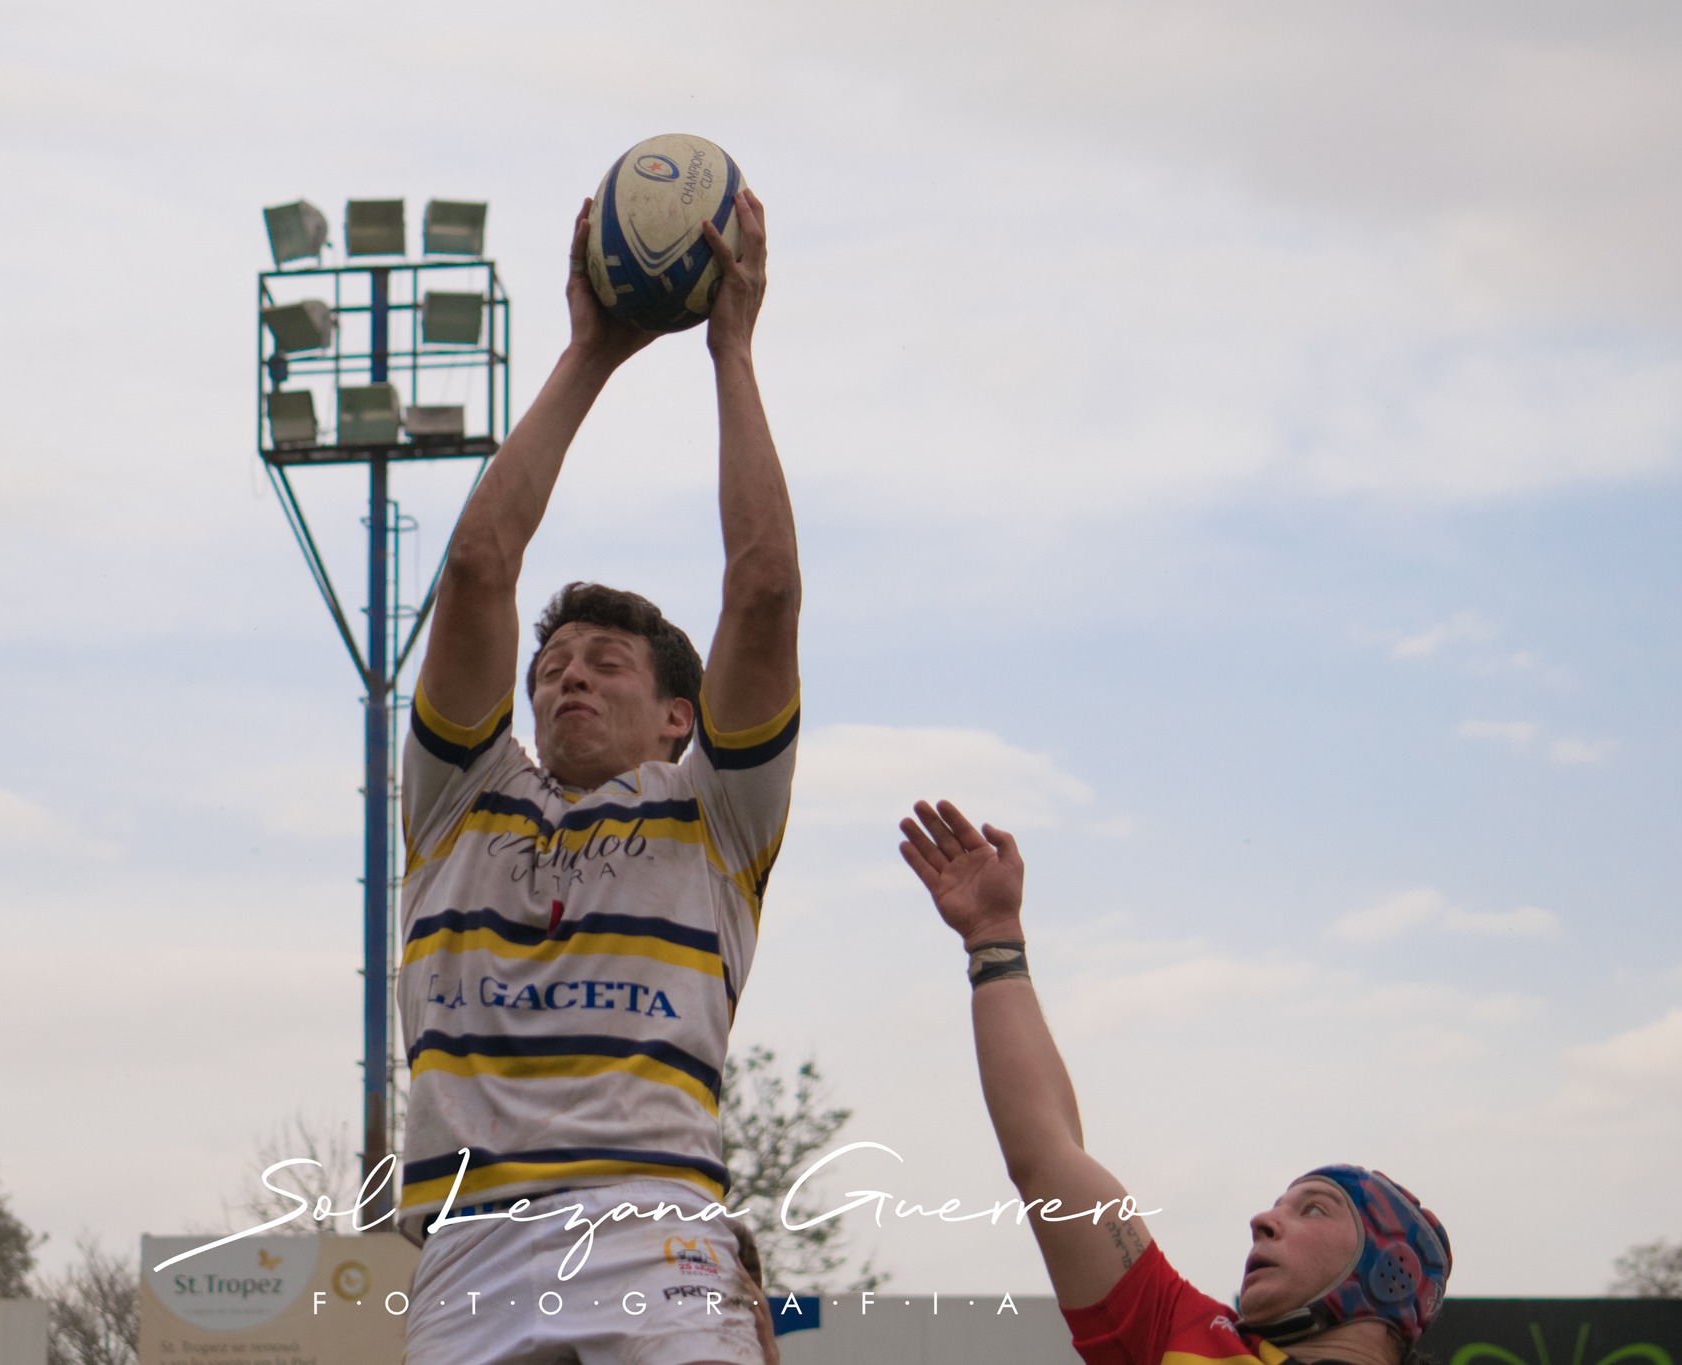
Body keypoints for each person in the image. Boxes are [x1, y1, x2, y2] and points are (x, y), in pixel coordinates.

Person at [397, 186, 798, 1365]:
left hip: (650, 1227)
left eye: (604, 665)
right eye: (553, 666)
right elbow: (477, 567)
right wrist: (588, 355)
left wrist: (731, 353)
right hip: (467, 1246)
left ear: (679, 715)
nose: (566, 680)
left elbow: (762, 587)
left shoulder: (714, 816)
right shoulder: (461, 803)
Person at [898, 800, 1453, 1365]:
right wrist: (994, 942)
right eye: (1282, 1206)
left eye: (1313, 1209)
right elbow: (1047, 1154)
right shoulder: (1183, 1339)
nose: (1263, 1222)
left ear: (1392, 1274)